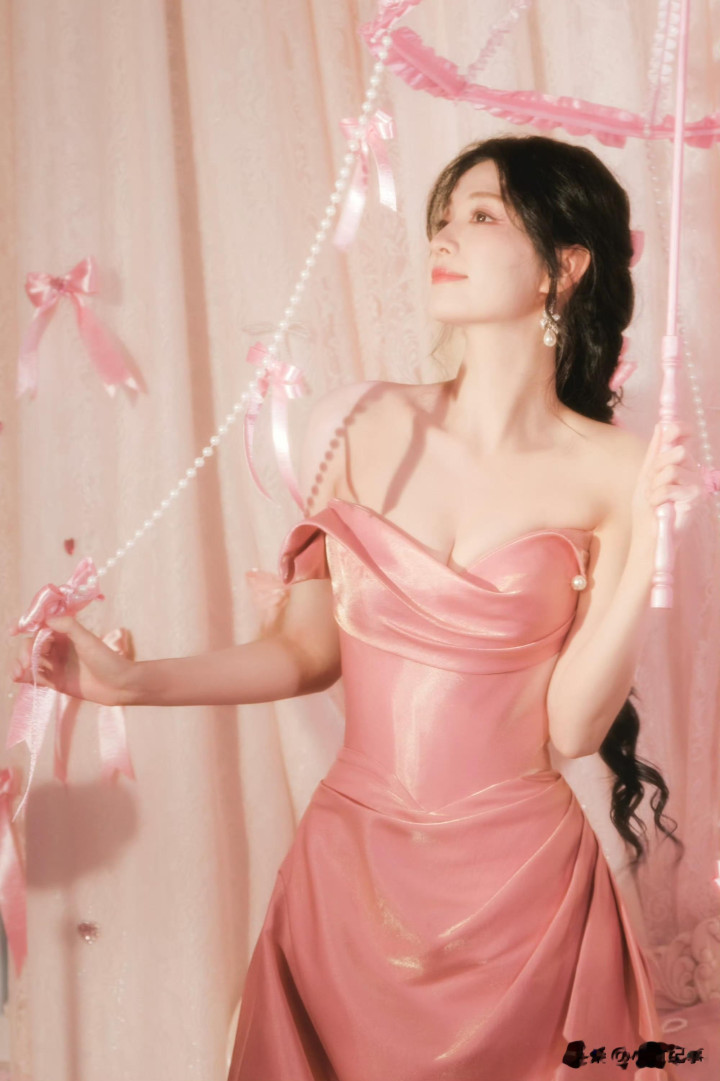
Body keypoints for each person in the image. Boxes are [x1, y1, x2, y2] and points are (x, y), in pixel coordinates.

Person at [11, 135, 704, 1080]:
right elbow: (304, 650)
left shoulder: (621, 468)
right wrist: (132, 683)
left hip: (525, 904)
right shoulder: (359, 422)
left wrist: (650, 546)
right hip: (351, 883)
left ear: (566, 265)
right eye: (443, 217)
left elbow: (576, 727)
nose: (443, 237)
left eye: (483, 215)